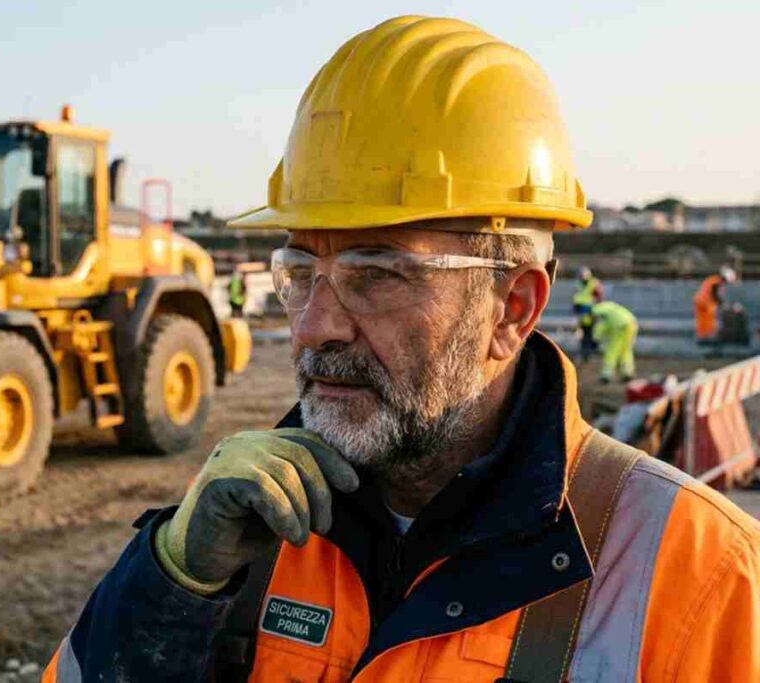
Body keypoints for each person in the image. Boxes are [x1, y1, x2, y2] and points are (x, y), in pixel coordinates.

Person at [44, 16, 760, 682]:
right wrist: (173, 583)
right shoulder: (246, 537)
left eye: (377, 274)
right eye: (301, 273)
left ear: (512, 307)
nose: (314, 327)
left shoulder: (703, 577)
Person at [591, 298, 638, 383]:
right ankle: (627, 373)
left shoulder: (598, 311)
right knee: (625, 351)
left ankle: (606, 375)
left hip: (619, 327)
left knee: (612, 351)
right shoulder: (610, 306)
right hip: (631, 324)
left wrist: (595, 339)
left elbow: (601, 326)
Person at [694, 265, 736, 343]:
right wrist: (727, 305)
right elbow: (715, 295)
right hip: (706, 302)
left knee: (702, 321)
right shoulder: (717, 282)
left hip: (699, 301)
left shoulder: (713, 279)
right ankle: (708, 338)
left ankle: (702, 337)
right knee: (710, 321)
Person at [571, 266, 602, 363]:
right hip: (582, 315)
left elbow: (598, 298)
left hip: (591, 314)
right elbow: (576, 297)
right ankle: (584, 354)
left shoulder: (594, 283)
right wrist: (576, 308)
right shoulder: (579, 284)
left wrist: (593, 310)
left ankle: (589, 354)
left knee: (591, 335)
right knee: (583, 335)